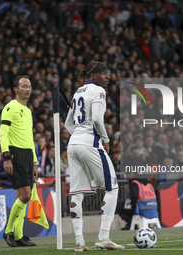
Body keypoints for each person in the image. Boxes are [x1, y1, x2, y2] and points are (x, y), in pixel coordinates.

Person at [65, 61, 124, 251]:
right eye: (104, 73)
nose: (108, 76)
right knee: (112, 186)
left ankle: (79, 242)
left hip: (73, 143)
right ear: (94, 76)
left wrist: (79, 134)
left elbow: (67, 123)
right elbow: (98, 119)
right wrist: (105, 139)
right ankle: (103, 237)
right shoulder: (98, 91)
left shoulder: (78, 92)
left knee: (76, 192)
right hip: (90, 143)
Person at [0, 75, 38, 247]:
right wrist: (6, 157)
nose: (28, 89)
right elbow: (3, 134)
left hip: (28, 155)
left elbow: (29, 137)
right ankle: (8, 231)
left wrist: (35, 161)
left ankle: (19, 236)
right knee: (26, 195)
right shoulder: (10, 107)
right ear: (16, 89)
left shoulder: (28, 111)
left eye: (29, 86)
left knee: (22, 196)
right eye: (24, 86)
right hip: (16, 154)